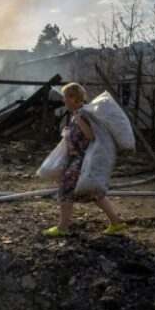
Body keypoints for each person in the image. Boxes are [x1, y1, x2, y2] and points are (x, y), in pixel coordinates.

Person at [42, 82, 126, 237]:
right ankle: (116, 222)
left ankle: (63, 227)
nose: (64, 101)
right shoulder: (78, 114)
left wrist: (78, 122)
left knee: (66, 190)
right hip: (77, 159)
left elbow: (90, 136)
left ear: (73, 98)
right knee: (93, 194)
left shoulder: (82, 114)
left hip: (80, 161)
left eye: (66, 97)